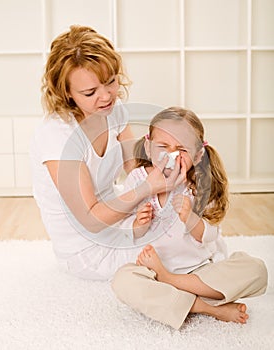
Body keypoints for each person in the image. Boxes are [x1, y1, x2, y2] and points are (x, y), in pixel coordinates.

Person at [30, 25, 184, 280]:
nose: (106, 97)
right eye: (90, 92)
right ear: (66, 92)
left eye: (110, 81)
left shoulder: (114, 110)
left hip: (118, 215)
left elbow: (135, 166)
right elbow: (90, 219)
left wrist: (169, 159)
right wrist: (147, 188)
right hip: (86, 246)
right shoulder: (57, 137)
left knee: (184, 233)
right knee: (176, 251)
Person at [111, 107, 268, 329]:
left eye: (182, 149)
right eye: (163, 147)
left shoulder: (201, 184)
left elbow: (211, 233)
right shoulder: (138, 180)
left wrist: (190, 218)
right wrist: (138, 223)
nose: (172, 156)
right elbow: (126, 232)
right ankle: (207, 307)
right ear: (148, 146)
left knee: (256, 269)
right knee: (123, 282)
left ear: (198, 154)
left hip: (199, 270)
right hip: (152, 272)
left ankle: (174, 285)